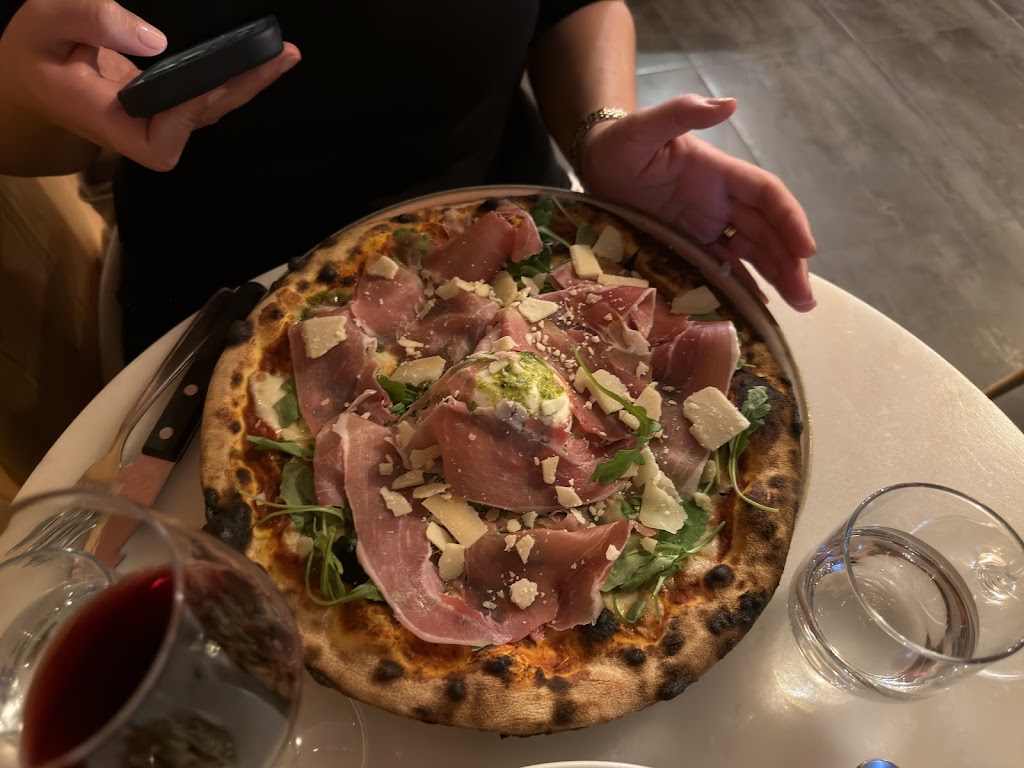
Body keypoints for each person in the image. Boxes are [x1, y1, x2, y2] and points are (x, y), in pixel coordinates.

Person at [0, 0, 816, 361]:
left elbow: (572, 3)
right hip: (235, 306)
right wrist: (26, 87)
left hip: (523, 246)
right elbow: (26, 144)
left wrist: (600, 130)